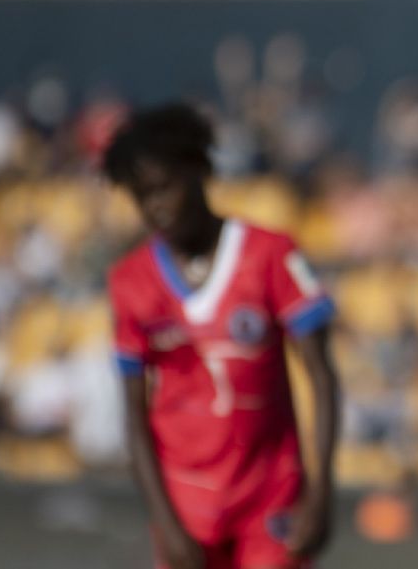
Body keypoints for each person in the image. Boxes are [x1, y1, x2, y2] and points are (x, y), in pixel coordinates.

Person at [104, 104, 339, 569]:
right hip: (186, 504)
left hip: (271, 497)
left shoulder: (270, 255)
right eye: (141, 196)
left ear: (201, 170)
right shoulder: (129, 283)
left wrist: (321, 491)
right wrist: (166, 525)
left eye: (164, 188)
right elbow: (134, 413)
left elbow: (322, 376)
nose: (156, 206)